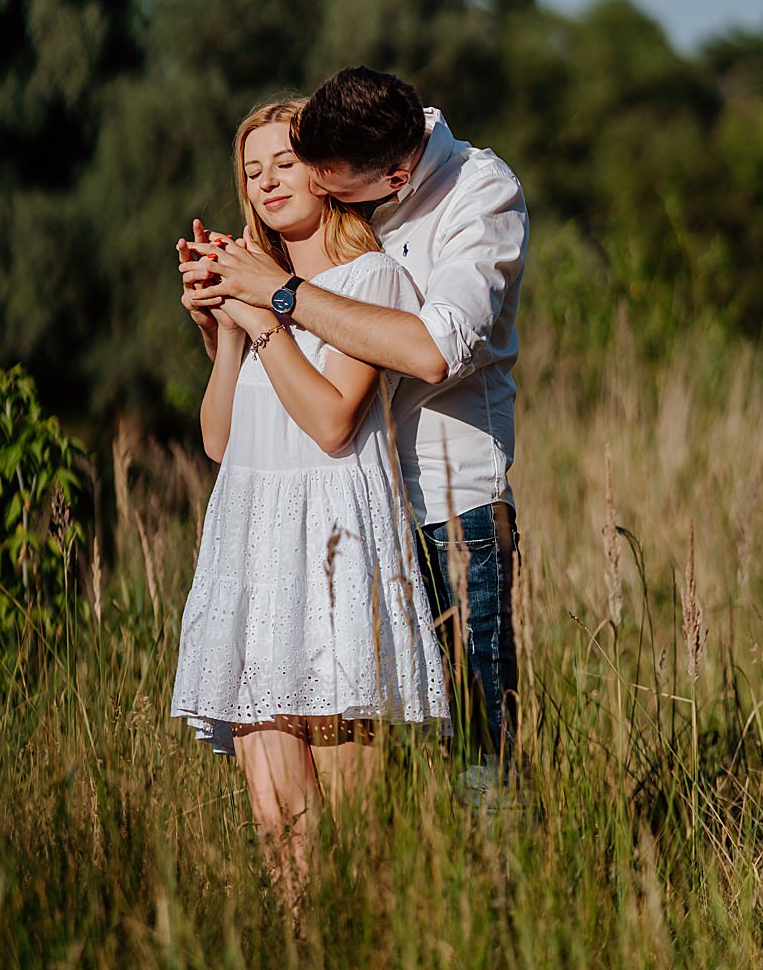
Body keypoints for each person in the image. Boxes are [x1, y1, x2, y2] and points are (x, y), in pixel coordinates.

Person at [181, 66, 528, 790]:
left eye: (311, 172)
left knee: (477, 759)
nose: (301, 183)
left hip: (443, 502)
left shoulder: (478, 196)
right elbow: (234, 429)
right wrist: (223, 326)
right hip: (335, 520)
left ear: (393, 175)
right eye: (261, 170)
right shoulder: (354, 148)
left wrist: (274, 297)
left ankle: (494, 894)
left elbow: (431, 350)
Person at [169, 97, 449, 914]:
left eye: (283, 163)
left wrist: (268, 319)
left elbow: (332, 421)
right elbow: (219, 440)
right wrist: (227, 326)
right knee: (279, 835)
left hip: (334, 556)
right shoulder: (253, 303)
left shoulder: (371, 281)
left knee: (355, 845)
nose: (265, 183)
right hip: (252, 563)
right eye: (251, 172)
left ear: (326, 174)